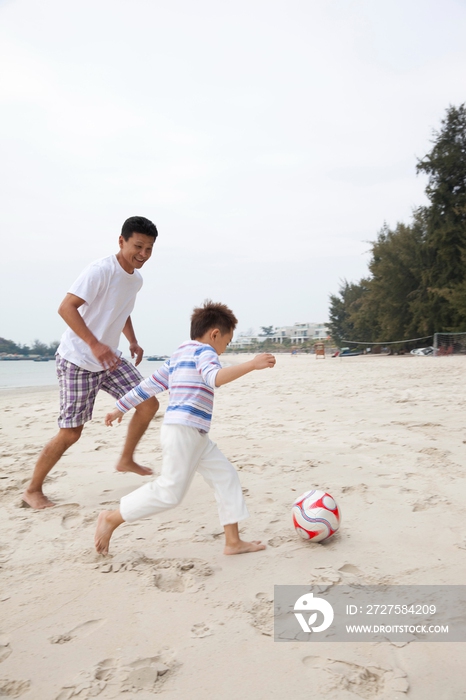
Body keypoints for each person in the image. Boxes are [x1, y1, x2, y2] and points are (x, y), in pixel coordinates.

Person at [94, 301, 276, 556]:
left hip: (195, 435)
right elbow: (214, 378)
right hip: (184, 431)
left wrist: (120, 406)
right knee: (170, 492)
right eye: (227, 341)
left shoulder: (180, 354)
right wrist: (251, 364)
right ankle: (112, 518)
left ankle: (232, 541)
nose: (225, 349)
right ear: (214, 334)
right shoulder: (205, 352)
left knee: (226, 477)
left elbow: (149, 386)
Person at [22, 216, 160, 510]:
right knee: (72, 432)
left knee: (148, 402)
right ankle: (32, 490)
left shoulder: (135, 279)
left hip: (108, 358)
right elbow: (66, 308)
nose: (143, 254)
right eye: (138, 246)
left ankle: (126, 458)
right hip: (77, 360)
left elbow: (121, 311)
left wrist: (132, 341)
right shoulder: (100, 271)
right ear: (121, 241)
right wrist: (94, 344)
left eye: (149, 249)